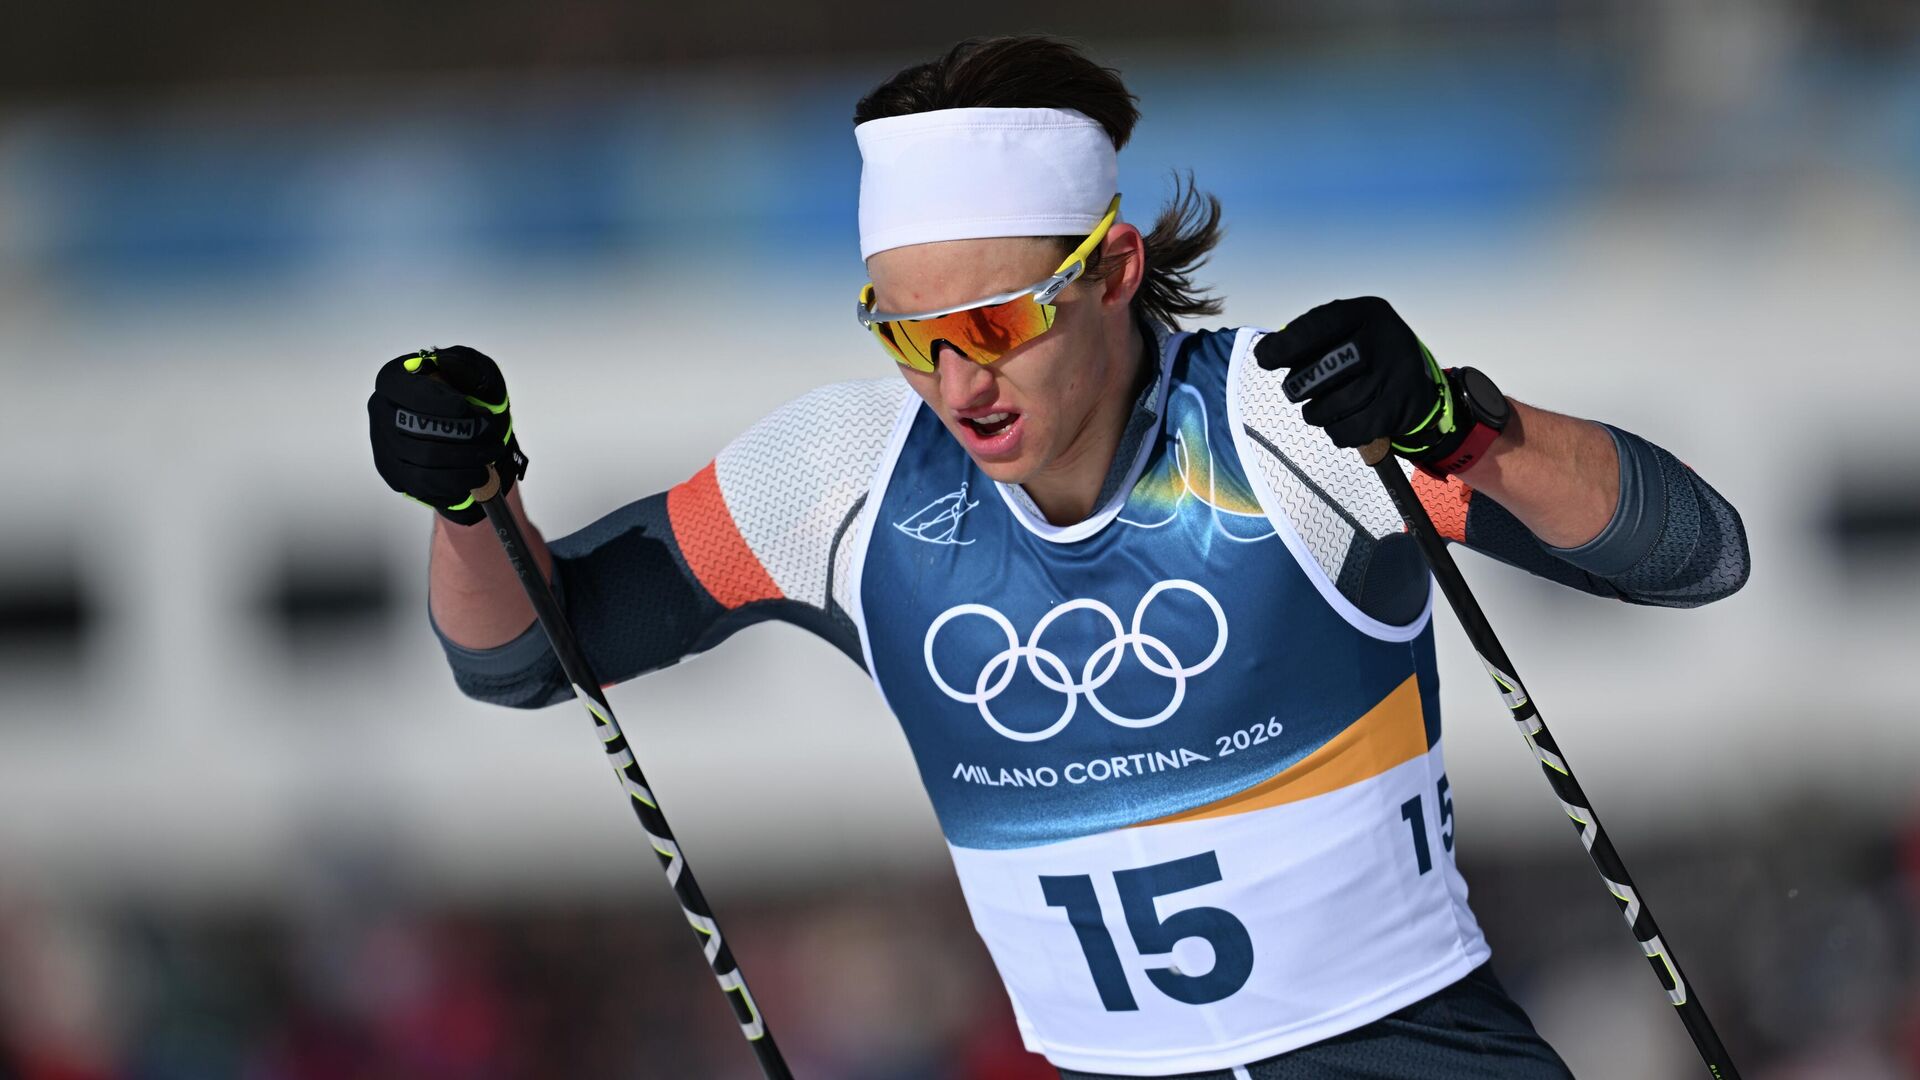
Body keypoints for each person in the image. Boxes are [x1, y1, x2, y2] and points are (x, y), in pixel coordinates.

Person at [366, 36, 1749, 1080]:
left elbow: (1694, 552)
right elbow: (521, 654)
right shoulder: (841, 479)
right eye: (912, 337)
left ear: (1114, 269)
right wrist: (470, 500)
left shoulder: (1283, 427)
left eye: (997, 324)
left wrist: (1463, 426)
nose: (958, 384)